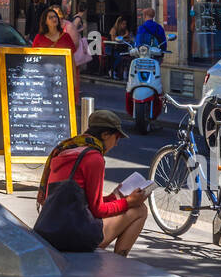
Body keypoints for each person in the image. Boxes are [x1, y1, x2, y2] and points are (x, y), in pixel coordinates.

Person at [37, 109, 149, 256]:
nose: (116, 144)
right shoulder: (94, 158)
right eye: (117, 138)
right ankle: (121, 261)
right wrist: (128, 202)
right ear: (105, 135)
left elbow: (81, 201)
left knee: (129, 206)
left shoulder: (64, 150)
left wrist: (114, 197)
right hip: (74, 236)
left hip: (50, 229)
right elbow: (98, 210)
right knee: (140, 210)